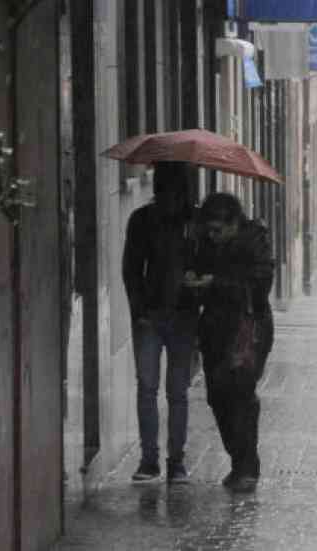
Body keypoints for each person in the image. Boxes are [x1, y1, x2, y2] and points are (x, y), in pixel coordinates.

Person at [187, 193, 275, 493]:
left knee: (241, 394)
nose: (212, 236)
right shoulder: (207, 244)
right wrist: (195, 279)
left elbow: (260, 287)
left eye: (217, 230)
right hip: (214, 330)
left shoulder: (256, 242)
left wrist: (216, 283)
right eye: (208, 230)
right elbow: (198, 272)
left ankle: (247, 466)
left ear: (234, 224)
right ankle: (239, 460)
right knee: (217, 396)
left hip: (249, 330)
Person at [122, 161, 198, 484]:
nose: (172, 200)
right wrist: (139, 311)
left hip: (183, 316)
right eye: (166, 192)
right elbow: (131, 270)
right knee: (148, 388)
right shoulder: (142, 220)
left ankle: (175, 461)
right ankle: (150, 460)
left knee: (177, 391)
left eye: (177, 193)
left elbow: (205, 262)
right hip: (150, 318)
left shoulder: (194, 222)